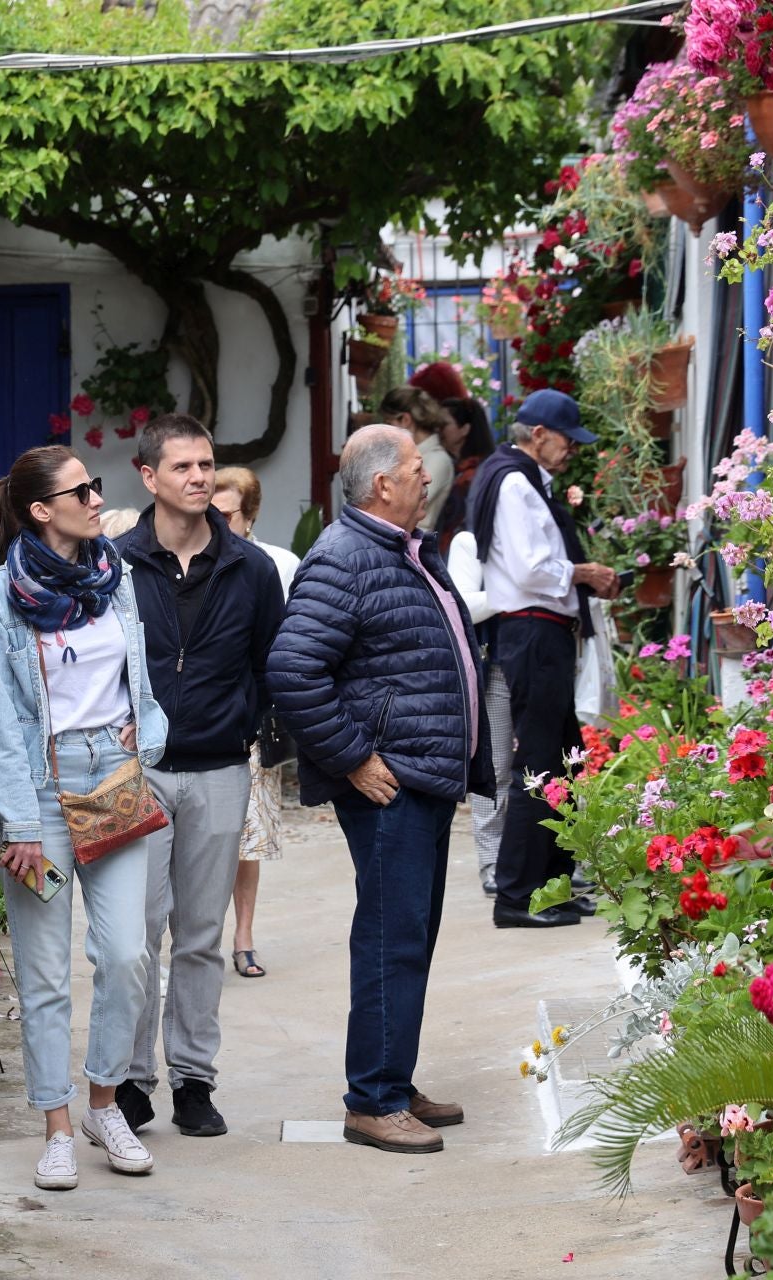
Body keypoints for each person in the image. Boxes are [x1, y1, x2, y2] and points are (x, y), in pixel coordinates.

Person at [267, 423, 494, 1156]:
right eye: (413, 466)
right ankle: (371, 1101)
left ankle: (392, 1077)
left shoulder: (402, 547)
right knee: (391, 939)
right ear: (381, 485)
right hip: (389, 784)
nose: (427, 475)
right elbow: (293, 672)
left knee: (411, 938)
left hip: (423, 775)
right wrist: (355, 759)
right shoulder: (343, 557)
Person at [0, 445, 169, 1190]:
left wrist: (145, 737)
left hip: (112, 782)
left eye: (95, 485)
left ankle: (103, 1102)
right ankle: (55, 1125)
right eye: (80, 489)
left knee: (127, 955)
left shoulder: (112, 577)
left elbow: (138, 681)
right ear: (40, 510)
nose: (97, 496)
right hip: (40, 795)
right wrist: (18, 821)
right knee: (45, 971)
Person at [112, 416, 285, 1140]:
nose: (199, 478)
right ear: (148, 477)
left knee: (201, 935)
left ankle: (193, 1080)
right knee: (134, 934)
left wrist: (254, 732)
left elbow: (272, 662)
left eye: (206, 465)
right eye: (181, 466)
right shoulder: (115, 564)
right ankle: (129, 1081)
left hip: (218, 768)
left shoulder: (251, 568)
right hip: (136, 772)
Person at [466, 390, 621, 929]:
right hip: (532, 630)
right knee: (539, 764)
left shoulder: (518, 478)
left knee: (563, 759)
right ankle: (517, 895)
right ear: (538, 435)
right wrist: (584, 573)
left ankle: (552, 886)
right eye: (566, 441)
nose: (571, 452)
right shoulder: (513, 480)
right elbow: (533, 570)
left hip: (542, 631)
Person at [209, 466, 298, 980]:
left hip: (254, 716)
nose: (217, 522)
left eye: (227, 514)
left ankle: (243, 936)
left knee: (249, 837)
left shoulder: (279, 565)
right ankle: (198, 937)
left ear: (251, 514)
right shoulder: (195, 559)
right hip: (204, 715)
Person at [446, 528, 508, 898]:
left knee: (554, 763)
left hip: (543, 660)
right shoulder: (471, 541)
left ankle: (564, 859)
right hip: (496, 665)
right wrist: (519, 589)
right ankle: (492, 862)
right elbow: (464, 604)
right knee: (495, 766)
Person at [377, 385, 456, 534]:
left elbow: (401, 507)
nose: (386, 432)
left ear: (406, 420)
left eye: (388, 423)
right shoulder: (416, 455)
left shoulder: (437, 459)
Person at [436, 396, 495, 547]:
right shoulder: (455, 466)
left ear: (465, 429)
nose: (438, 430)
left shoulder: (473, 474)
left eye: (444, 425)